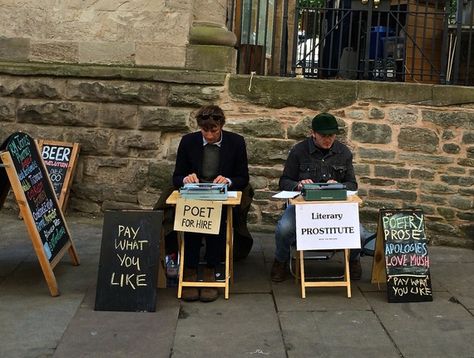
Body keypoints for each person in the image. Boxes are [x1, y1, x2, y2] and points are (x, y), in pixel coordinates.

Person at [271, 112, 363, 282]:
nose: (328, 139)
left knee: (360, 233)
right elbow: (284, 181)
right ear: (313, 133)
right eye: (323, 135)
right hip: (303, 207)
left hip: (335, 209)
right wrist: (298, 184)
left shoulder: (343, 152)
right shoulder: (299, 151)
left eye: (331, 135)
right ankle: (281, 260)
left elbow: (352, 184)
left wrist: (339, 185)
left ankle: (353, 260)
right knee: (284, 229)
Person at [172, 104, 250, 302]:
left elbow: (243, 177)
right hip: (196, 193)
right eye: (204, 131)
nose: (208, 135)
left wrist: (228, 180)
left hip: (221, 194)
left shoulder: (236, 142)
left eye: (213, 131)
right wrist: (185, 179)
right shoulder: (188, 142)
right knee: (190, 220)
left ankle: (210, 268)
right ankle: (189, 268)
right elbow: (177, 176)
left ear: (221, 125)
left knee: (218, 219)